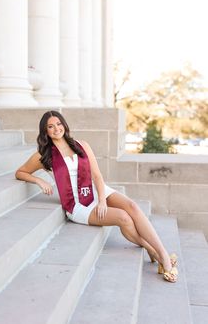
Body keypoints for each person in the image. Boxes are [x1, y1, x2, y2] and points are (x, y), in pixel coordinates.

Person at [15, 110, 178, 283]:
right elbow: (20, 172)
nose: (56, 129)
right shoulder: (44, 155)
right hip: (77, 204)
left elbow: (97, 176)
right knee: (124, 218)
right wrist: (40, 181)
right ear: (45, 131)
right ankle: (151, 250)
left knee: (132, 207)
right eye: (50, 126)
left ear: (64, 125)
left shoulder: (81, 145)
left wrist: (102, 201)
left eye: (59, 124)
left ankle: (163, 255)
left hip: (94, 191)